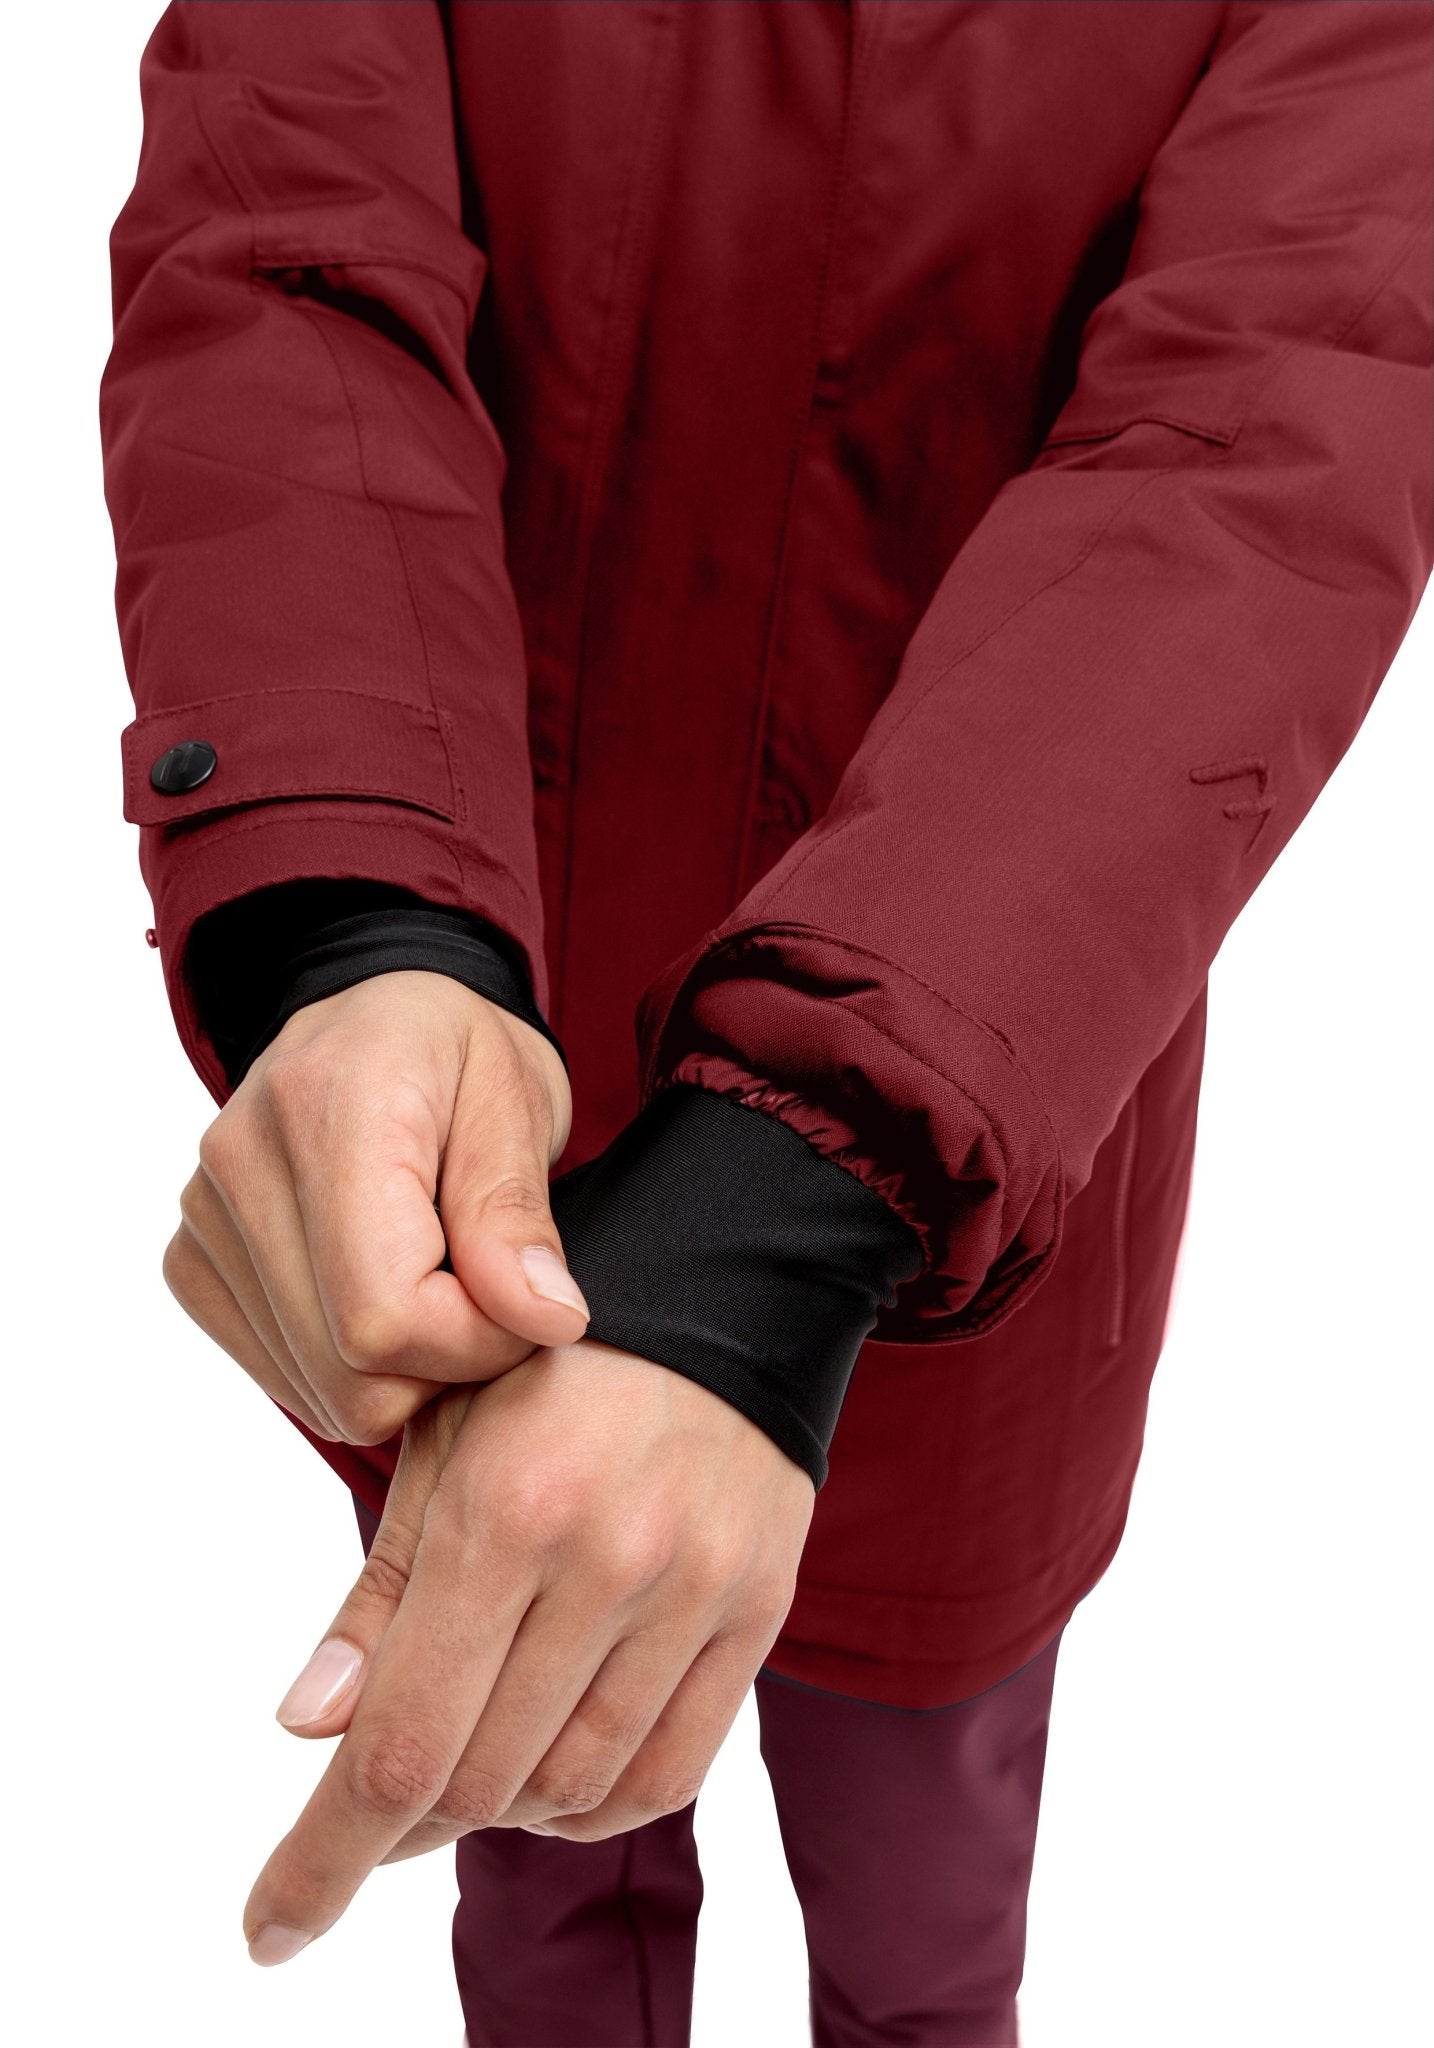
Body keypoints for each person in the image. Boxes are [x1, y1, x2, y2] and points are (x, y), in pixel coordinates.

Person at [99, 3, 1432, 2042]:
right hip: (486, 1150)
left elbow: (1263, 438)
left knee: (920, 1920)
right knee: (535, 1861)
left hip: (964, 1175)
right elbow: (283, 241)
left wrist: (769, 1216)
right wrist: (359, 925)